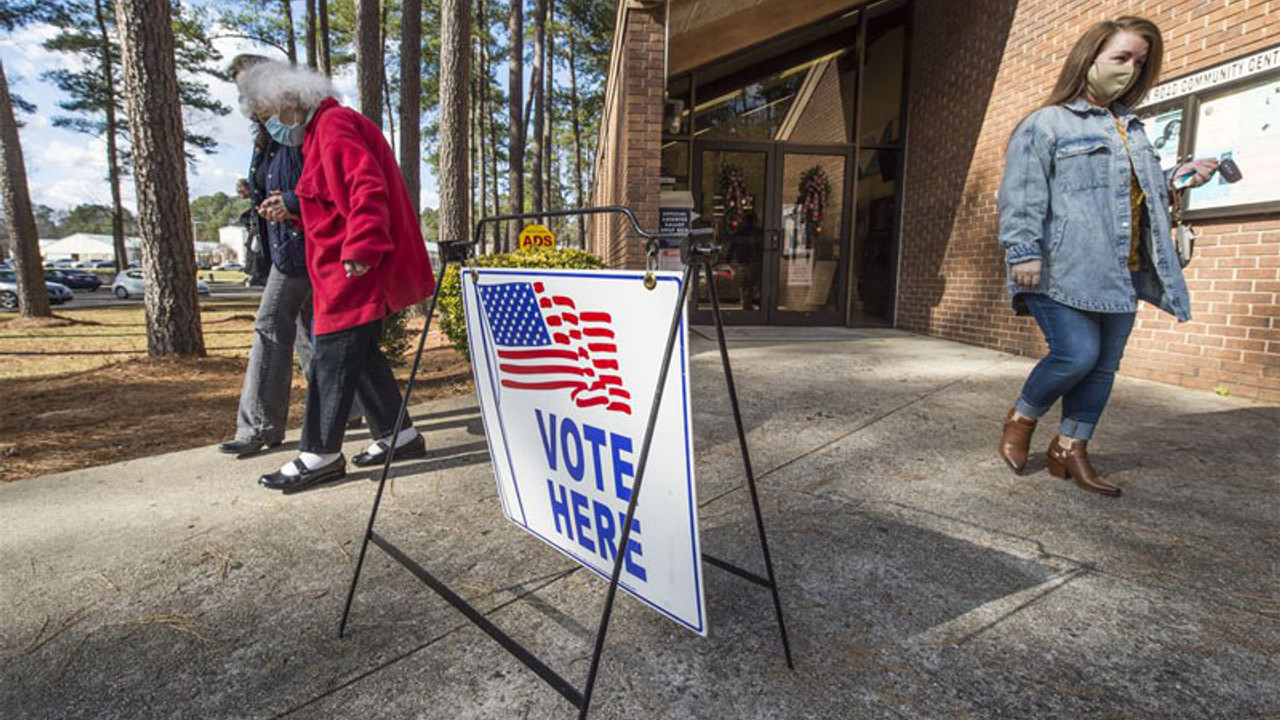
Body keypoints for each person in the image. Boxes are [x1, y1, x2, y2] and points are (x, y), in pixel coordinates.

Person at [996, 17, 1219, 497]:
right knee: (1076, 355)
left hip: (1123, 271)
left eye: (1139, 62)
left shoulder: (1133, 128)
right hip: (1061, 268)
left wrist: (1180, 175)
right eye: (1121, 58)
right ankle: (1022, 418)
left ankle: (1070, 448)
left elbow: (1138, 193)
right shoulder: (1047, 123)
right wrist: (1023, 251)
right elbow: (1021, 194)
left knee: (1102, 367)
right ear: (1089, 59)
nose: (1130, 69)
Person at [236, 61, 434, 492]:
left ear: (290, 100)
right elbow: (330, 196)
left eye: (267, 111)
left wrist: (362, 246)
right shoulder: (322, 131)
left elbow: (366, 188)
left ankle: (320, 453)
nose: (269, 123)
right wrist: (294, 211)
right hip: (339, 263)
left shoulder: (334, 125)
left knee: (331, 354)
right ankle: (399, 436)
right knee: (358, 354)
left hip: (351, 265)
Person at [217, 54, 320, 458]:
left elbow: (319, 184)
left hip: (300, 247)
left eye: (250, 87)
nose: (247, 98)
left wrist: (291, 202)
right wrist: (255, 191)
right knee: (310, 334)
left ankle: (259, 425)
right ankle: (347, 408)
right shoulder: (267, 135)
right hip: (286, 245)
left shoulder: (296, 124)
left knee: (269, 326)